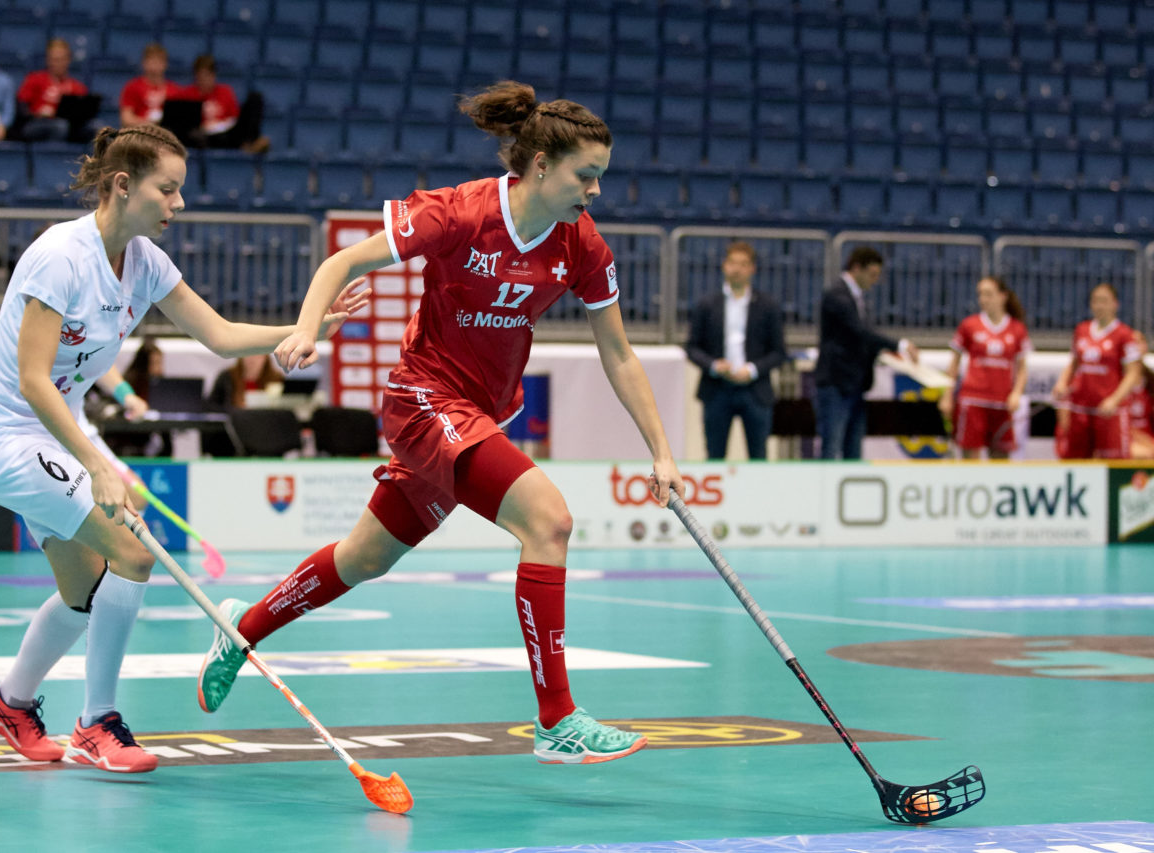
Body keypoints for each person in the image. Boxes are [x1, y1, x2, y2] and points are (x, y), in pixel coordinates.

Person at [195, 80, 684, 767]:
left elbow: (620, 353)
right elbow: (343, 260)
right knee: (548, 520)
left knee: (365, 556)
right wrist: (308, 329)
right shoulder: (460, 212)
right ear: (542, 165)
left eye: (601, 177)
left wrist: (661, 452)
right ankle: (557, 719)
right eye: (587, 175)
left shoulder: (581, 244)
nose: (596, 190)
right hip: (423, 398)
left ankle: (239, 626)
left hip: (482, 413)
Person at [0, 123, 367, 774]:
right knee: (133, 551)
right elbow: (32, 379)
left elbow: (221, 337)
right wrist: (96, 465)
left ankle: (10, 701)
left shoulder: (143, 262)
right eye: (167, 190)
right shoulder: (61, 257)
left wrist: (311, 326)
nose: (179, 204)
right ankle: (97, 723)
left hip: (47, 430)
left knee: (83, 589)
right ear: (122, 185)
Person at [813, 246, 918, 460]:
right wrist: (899, 345)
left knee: (853, 449)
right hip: (836, 384)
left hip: (855, 384)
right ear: (856, 268)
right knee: (832, 448)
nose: (875, 280)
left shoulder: (858, 299)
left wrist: (884, 353)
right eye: (872, 274)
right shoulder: (837, 294)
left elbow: (861, 338)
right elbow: (859, 331)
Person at [684, 241, 786, 460]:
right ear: (724, 266)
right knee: (715, 457)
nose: (737, 269)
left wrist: (752, 370)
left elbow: (779, 352)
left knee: (758, 457)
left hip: (756, 391)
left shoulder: (768, 306)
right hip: (717, 390)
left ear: (752, 268)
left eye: (743, 264)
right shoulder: (707, 304)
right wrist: (713, 365)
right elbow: (692, 347)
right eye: (733, 263)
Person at [937, 276, 1032, 460]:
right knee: (970, 462)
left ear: (1003, 296)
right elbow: (954, 363)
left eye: (988, 294)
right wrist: (947, 395)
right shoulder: (969, 325)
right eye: (980, 294)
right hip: (973, 401)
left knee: (1000, 461)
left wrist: (1017, 393)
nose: (983, 299)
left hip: (1002, 403)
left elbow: (1022, 368)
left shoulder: (1017, 329)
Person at [1052, 282, 1144, 459]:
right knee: (1076, 460)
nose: (1099, 305)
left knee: (1114, 462)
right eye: (1096, 301)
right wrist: (1062, 382)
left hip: (1110, 411)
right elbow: (1074, 363)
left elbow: (1133, 373)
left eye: (1104, 301)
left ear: (1115, 304)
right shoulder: (1082, 330)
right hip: (1081, 408)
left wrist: (1114, 399)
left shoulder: (1124, 335)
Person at [181, 55, 270, 153]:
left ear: (214, 75)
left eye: (207, 75)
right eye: (200, 76)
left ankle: (250, 143)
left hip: (227, 134)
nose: (203, 80)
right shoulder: (187, 95)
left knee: (255, 98)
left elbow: (234, 118)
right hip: (205, 138)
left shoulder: (225, 92)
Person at [15, 38, 96, 143]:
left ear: (68, 60)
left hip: (70, 125)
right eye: (54, 59)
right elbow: (21, 108)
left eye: (62, 59)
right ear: (48, 60)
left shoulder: (77, 87)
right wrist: (36, 113)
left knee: (95, 127)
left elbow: (84, 112)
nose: (58, 63)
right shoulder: (35, 79)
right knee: (60, 126)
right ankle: (54, 158)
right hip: (38, 123)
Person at [119, 44, 180, 127]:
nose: (155, 65)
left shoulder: (174, 90)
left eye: (159, 61)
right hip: (140, 134)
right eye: (151, 60)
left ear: (165, 64)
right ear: (143, 63)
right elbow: (126, 119)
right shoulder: (132, 87)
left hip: (166, 135)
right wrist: (150, 123)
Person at [207, 353, 284, 410]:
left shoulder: (276, 379)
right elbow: (212, 406)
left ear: (265, 357)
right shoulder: (227, 377)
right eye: (248, 353)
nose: (252, 359)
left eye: (258, 355)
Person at [1127, 331, 1154, 459]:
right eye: (1132, 344)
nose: (1136, 347)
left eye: (1139, 342)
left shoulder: (1151, 381)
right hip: (1125, 441)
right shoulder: (1115, 383)